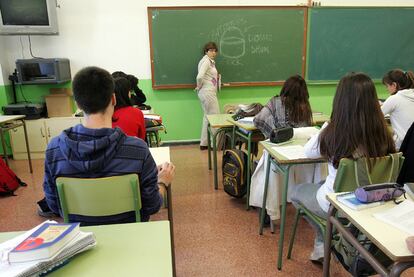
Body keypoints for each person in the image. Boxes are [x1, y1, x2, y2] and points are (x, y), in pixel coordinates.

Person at [42, 66, 175, 224]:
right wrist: (162, 181)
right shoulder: (137, 150)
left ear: (77, 104)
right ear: (113, 99)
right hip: (131, 236)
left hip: (81, 237)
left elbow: (54, 206)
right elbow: (152, 206)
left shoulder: (54, 149)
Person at [291, 72, 396, 262]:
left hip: (339, 205)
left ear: (340, 101)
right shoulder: (385, 134)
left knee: (297, 192)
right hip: (373, 201)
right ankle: (331, 239)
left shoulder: (333, 131)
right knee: (325, 181)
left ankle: (324, 240)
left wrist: (325, 126)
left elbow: (308, 152)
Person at [250, 75, 323, 221]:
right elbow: (308, 130)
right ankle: (307, 206)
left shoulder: (275, 102)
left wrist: (274, 133)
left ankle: (268, 208)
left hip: (278, 154)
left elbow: (258, 119)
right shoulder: (305, 106)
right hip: (301, 158)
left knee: (266, 170)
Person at [195, 42, 220, 150]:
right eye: (211, 50)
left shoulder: (209, 62)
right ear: (206, 51)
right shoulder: (206, 61)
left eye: (215, 51)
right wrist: (199, 86)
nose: (213, 53)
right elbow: (200, 76)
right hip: (208, 92)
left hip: (206, 92)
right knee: (215, 118)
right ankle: (215, 144)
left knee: (207, 117)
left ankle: (204, 143)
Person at [381, 69, 414, 148]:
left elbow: (375, 116)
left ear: (394, 85)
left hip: (403, 146)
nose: (387, 89)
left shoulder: (394, 99)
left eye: (387, 86)